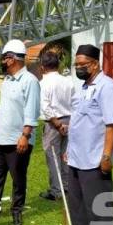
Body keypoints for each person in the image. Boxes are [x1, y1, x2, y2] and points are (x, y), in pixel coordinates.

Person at [65, 44, 113, 225]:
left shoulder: (108, 88)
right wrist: (69, 150)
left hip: (95, 158)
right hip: (76, 157)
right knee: (77, 204)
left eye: (83, 64)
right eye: (76, 65)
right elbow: (78, 122)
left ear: (96, 64)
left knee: (98, 206)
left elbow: (112, 125)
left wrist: (107, 156)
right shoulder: (82, 87)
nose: (79, 68)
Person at [0, 39, 41, 225]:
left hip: (18, 140)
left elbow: (32, 111)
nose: (2, 62)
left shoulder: (30, 81)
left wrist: (25, 136)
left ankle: (16, 211)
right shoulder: (7, 80)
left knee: (18, 178)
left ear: (12, 59)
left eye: (4, 58)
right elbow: (3, 107)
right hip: (0, 138)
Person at [38, 43, 75, 201]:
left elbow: (45, 107)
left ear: (42, 67)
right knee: (65, 156)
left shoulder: (43, 83)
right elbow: (75, 102)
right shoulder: (68, 81)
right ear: (58, 65)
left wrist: (58, 125)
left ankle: (56, 190)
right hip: (70, 120)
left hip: (54, 123)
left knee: (52, 156)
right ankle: (67, 187)